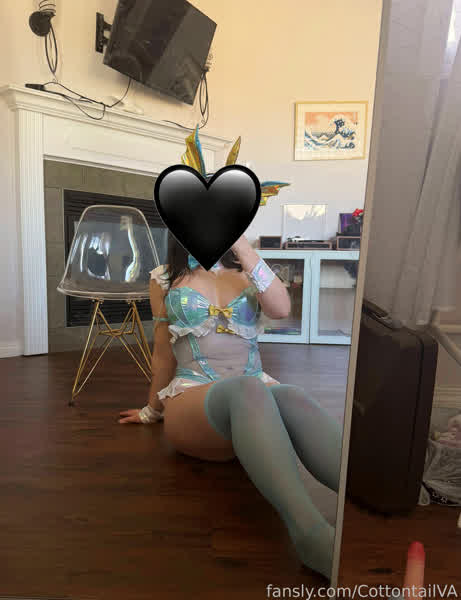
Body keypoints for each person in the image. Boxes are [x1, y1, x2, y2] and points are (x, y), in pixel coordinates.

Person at [119, 231, 343, 579]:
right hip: (195, 397)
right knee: (249, 389)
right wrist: (152, 410)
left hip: (255, 397)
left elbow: (282, 309)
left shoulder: (249, 270)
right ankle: (309, 532)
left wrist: (241, 246)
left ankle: (365, 493)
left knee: (290, 395)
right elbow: (163, 353)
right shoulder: (164, 277)